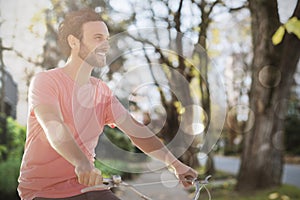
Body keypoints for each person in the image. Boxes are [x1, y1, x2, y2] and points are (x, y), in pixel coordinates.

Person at [17, 8, 198, 200]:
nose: (105, 45)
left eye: (106, 38)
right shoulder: (46, 81)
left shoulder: (101, 92)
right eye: (97, 38)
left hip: (88, 188)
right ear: (74, 42)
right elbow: (54, 126)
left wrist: (175, 164)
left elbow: (136, 130)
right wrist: (82, 163)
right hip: (44, 191)